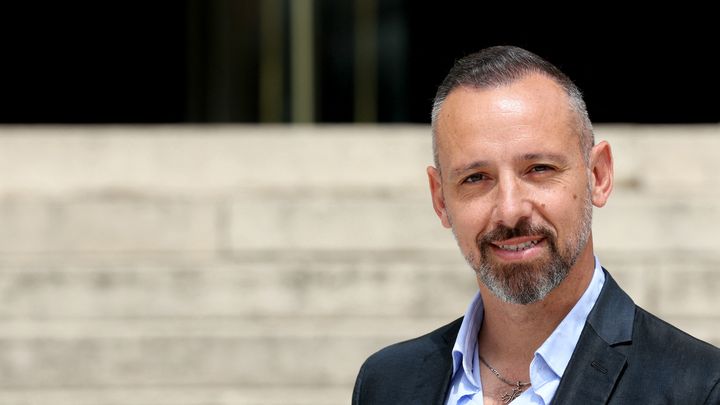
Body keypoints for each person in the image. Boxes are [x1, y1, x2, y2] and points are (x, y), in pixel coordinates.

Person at [352, 46, 720, 404]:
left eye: (539, 169)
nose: (510, 210)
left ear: (599, 175)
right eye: (476, 178)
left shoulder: (699, 388)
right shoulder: (386, 383)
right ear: (439, 199)